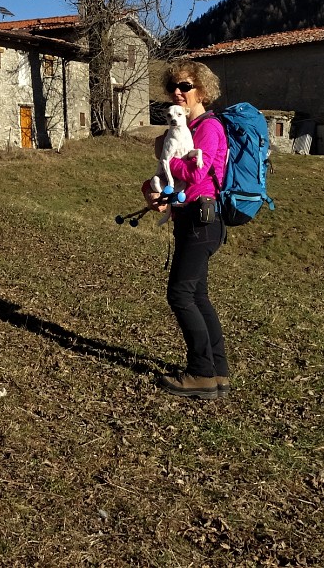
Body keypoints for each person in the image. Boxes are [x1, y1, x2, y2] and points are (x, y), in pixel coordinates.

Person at [146, 60, 231, 398]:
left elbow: (196, 175)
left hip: (202, 221)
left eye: (186, 86)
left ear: (202, 91)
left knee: (179, 294)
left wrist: (166, 156)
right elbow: (175, 178)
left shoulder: (208, 128)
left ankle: (201, 373)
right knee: (197, 296)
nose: (178, 92)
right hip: (190, 218)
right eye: (174, 87)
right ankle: (218, 371)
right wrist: (152, 191)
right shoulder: (185, 130)